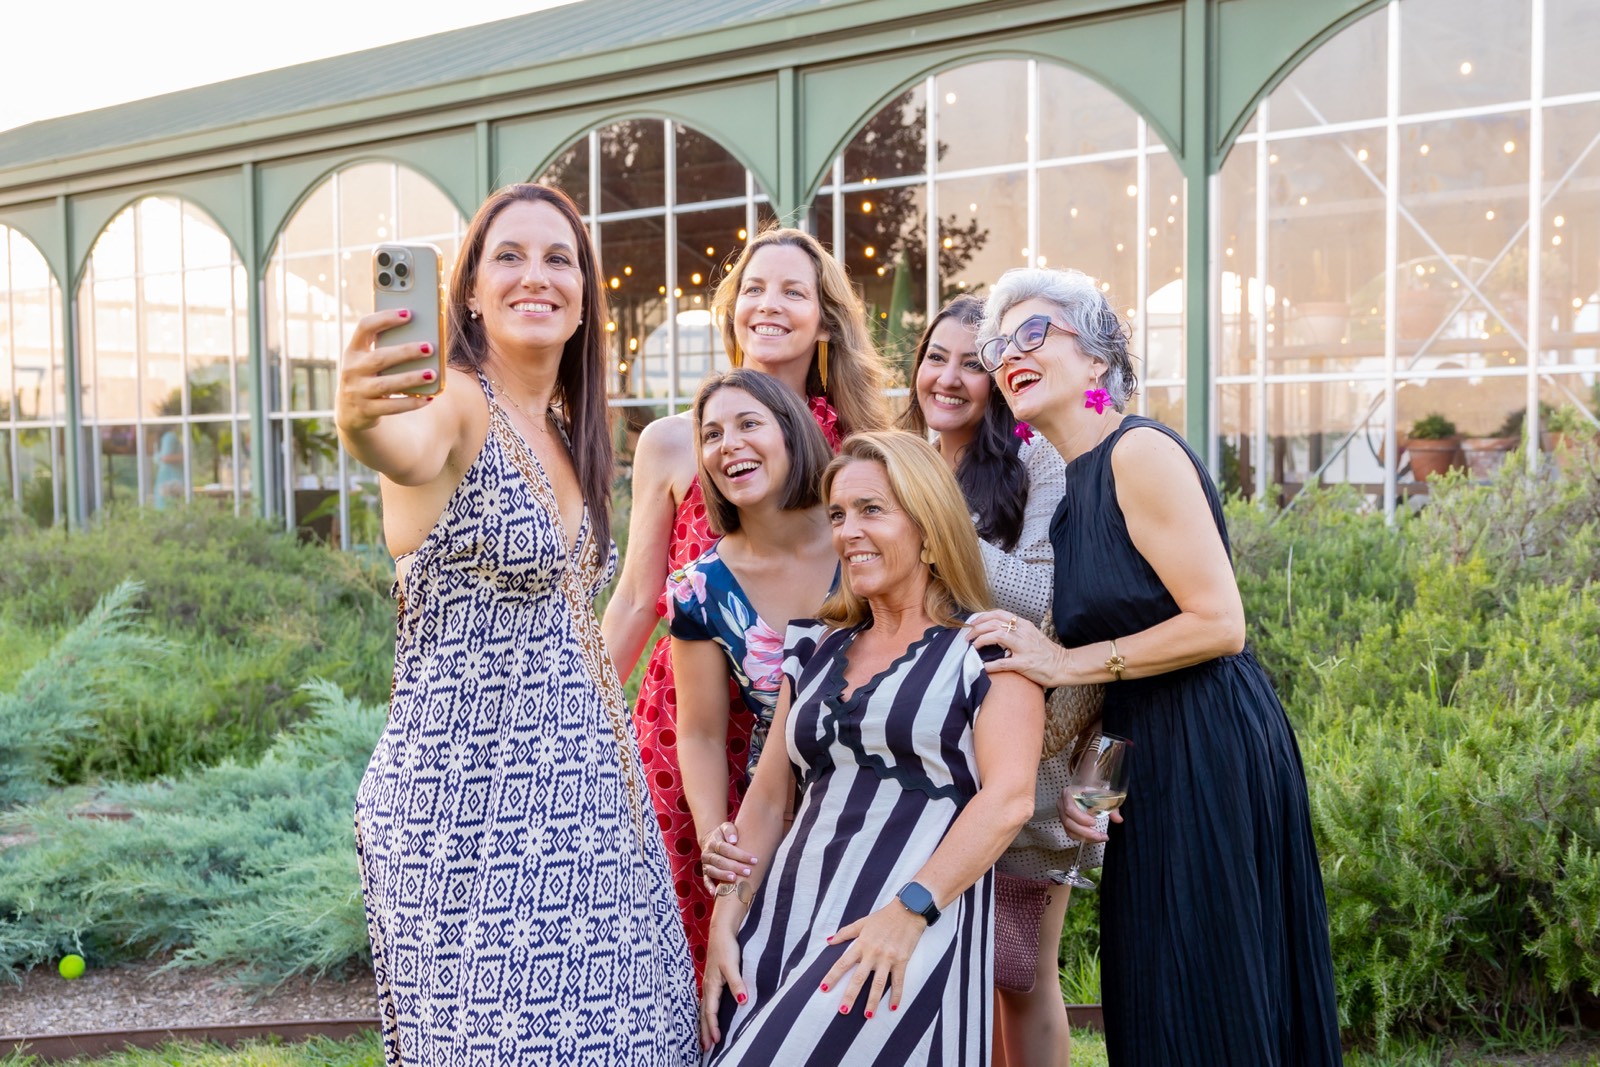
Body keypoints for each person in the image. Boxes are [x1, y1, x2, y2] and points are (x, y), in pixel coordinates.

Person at [336, 183, 697, 1066]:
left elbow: (574, 630)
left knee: (647, 1032)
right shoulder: (455, 402)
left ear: (583, 299)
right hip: (467, 813)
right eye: (508, 255)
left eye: (558, 258)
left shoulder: (574, 434)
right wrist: (362, 419)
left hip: (588, 808)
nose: (535, 275)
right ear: (465, 290)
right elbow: (406, 448)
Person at [966, 267, 1343, 1066]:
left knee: (1207, 974)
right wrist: (1092, 782)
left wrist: (1060, 660)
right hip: (1153, 751)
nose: (1010, 355)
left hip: (1214, 745)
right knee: (1160, 978)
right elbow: (1121, 668)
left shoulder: (1138, 450)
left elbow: (1219, 622)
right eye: (999, 345)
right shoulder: (1073, 496)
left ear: (1097, 358)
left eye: (1035, 333)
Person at [698, 431, 1044, 1065]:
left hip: (906, 926)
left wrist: (909, 912)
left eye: (872, 510)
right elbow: (771, 800)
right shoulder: (814, 650)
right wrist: (727, 917)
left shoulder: (990, 649)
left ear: (930, 527)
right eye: (838, 514)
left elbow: (1009, 799)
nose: (848, 531)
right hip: (784, 921)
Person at [601, 226, 890, 979]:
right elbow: (638, 597)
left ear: (824, 318)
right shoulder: (673, 440)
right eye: (754, 289)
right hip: (687, 722)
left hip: (815, 726)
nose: (770, 305)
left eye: (793, 291)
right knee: (683, 926)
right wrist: (579, 718)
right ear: (730, 310)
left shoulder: (860, 446)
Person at [904, 294, 1084, 1067]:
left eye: (972, 365)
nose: (948, 378)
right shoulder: (900, 454)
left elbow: (1046, 599)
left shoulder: (1036, 459)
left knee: (1017, 970)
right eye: (934, 357)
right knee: (939, 964)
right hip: (918, 739)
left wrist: (941, 526)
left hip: (1018, 740)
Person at [669, 369, 835, 871]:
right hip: (778, 821)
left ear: (792, 430)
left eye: (748, 424)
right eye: (712, 435)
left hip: (893, 800)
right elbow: (699, 733)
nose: (729, 445)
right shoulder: (700, 589)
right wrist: (713, 834)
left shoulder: (863, 538)